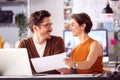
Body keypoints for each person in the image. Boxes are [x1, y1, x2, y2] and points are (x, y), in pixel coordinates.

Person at [17, 10, 65, 74]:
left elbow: (61, 69)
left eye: (50, 25)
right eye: (46, 25)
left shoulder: (57, 41)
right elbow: (20, 69)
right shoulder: (24, 44)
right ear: (35, 28)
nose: (51, 29)